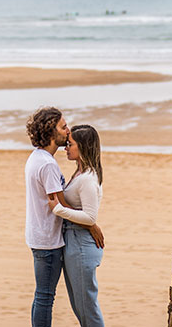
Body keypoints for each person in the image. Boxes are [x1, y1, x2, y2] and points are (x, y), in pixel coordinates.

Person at [25, 108, 103, 327]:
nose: (68, 132)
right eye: (63, 126)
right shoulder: (48, 164)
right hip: (48, 239)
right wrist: (91, 225)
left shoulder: (38, 158)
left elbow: (59, 204)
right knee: (45, 297)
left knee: (45, 296)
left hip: (42, 235)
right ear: (51, 132)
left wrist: (89, 222)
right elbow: (58, 203)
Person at [49, 124, 105, 327]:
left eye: (70, 144)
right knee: (80, 306)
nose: (66, 147)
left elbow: (90, 218)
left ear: (82, 147)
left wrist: (58, 210)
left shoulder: (88, 179)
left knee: (87, 308)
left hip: (81, 244)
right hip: (74, 241)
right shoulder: (79, 175)